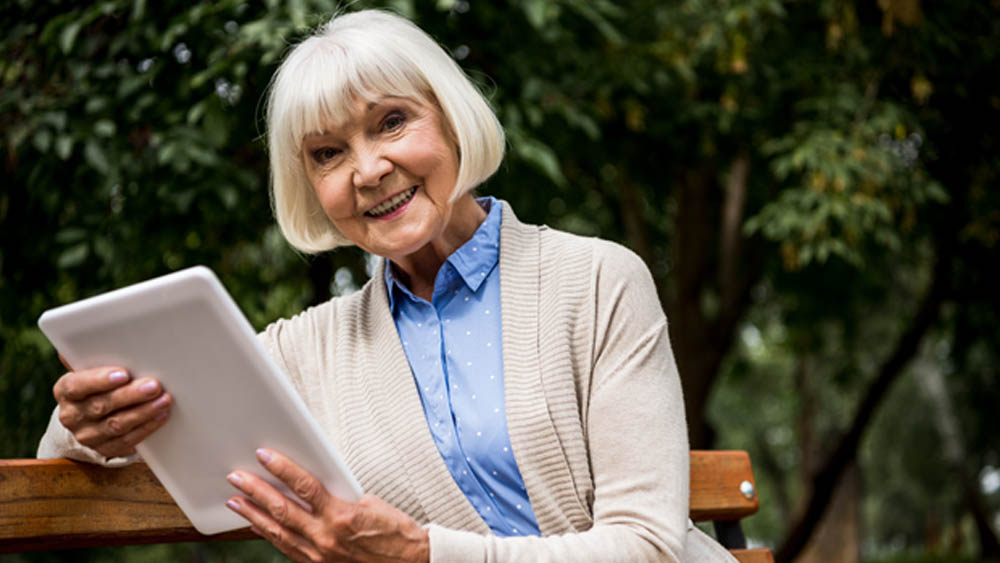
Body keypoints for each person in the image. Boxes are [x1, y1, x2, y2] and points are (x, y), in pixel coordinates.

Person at [38, 9, 737, 563]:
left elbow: (647, 545)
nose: (368, 169)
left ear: (452, 117)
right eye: (328, 152)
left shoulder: (596, 280)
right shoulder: (303, 352)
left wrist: (421, 553)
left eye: (392, 121)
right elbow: (70, 454)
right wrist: (89, 421)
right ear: (311, 186)